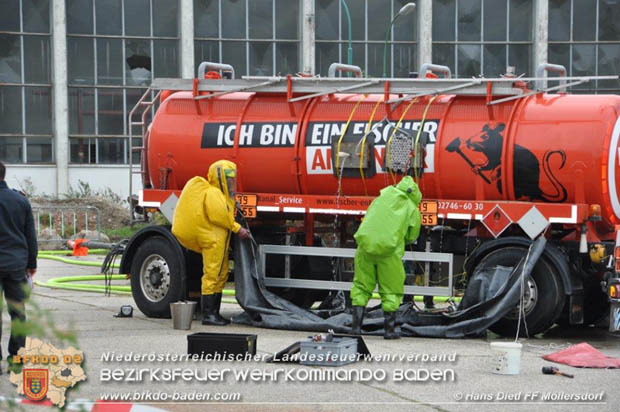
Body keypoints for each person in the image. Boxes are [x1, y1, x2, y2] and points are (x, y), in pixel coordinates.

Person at [172, 160, 250, 326]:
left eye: (233, 179)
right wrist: (238, 229)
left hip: (218, 240)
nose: (232, 183)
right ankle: (209, 314)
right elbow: (220, 216)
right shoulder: (214, 194)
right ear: (220, 177)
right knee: (212, 274)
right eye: (229, 179)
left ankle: (214, 313)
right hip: (213, 240)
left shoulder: (221, 195)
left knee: (219, 274)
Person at [350, 176, 422, 339]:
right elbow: (412, 236)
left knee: (361, 286)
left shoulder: (380, 198)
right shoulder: (411, 208)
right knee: (391, 290)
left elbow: (368, 219)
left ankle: (355, 329)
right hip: (390, 253)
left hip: (365, 248)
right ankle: (389, 331)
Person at [0, 162, 37, 374]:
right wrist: (32, 264)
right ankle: (16, 357)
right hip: (15, 265)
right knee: (18, 313)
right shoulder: (20, 201)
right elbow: (30, 236)